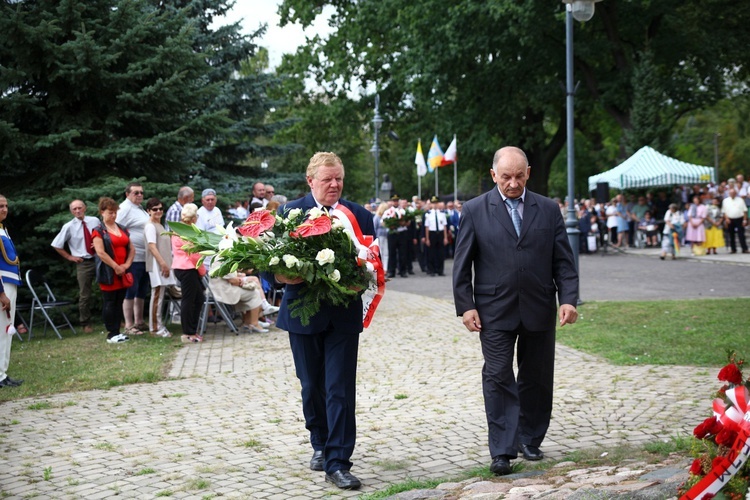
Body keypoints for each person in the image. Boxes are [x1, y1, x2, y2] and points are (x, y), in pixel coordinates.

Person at [452, 146, 579, 476]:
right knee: (497, 375)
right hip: (493, 308)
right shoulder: (475, 210)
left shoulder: (548, 210)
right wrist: (465, 306)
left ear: (529, 173)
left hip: (538, 305)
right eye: (506, 177)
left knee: (537, 376)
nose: (513, 183)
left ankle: (530, 437)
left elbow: (563, 261)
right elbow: (462, 265)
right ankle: (502, 449)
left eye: (519, 176)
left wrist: (568, 299)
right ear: (493, 175)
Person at [274, 152, 375, 490]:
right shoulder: (289, 213)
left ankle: (338, 461)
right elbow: (269, 260)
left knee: (339, 389)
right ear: (310, 181)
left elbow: (372, 263)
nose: (334, 185)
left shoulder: (358, 216)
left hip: (343, 316)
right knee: (311, 386)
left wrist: (359, 276)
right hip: (303, 314)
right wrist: (281, 276)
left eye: (339, 179)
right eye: (327, 179)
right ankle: (319, 441)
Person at [50, 199, 100, 333]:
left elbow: (103, 235)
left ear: (85, 208)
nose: (77, 211)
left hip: (100, 259)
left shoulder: (95, 221)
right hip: (83, 262)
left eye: (80, 208)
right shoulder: (68, 226)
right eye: (74, 209)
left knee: (109, 288)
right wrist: (70, 257)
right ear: (71, 211)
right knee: (85, 294)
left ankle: (115, 319)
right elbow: (56, 244)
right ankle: (86, 323)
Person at [93, 197, 136, 344]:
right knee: (110, 302)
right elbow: (100, 252)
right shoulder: (98, 230)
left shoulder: (122, 228)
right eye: (110, 213)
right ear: (102, 212)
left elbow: (131, 249)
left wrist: (126, 265)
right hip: (108, 272)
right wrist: (115, 266)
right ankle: (111, 333)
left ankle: (118, 331)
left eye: (115, 213)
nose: (113, 215)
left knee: (119, 301)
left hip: (122, 271)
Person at [116, 182, 150, 335]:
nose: (139, 195)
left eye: (141, 192)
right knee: (131, 290)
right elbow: (116, 229)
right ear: (127, 194)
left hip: (145, 256)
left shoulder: (139, 208)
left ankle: (139, 321)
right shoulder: (124, 208)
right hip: (132, 257)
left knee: (141, 289)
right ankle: (129, 325)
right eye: (136, 193)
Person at [171, 203, 206, 343]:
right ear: (192, 218)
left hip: (185, 268)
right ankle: (188, 333)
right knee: (189, 300)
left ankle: (192, 330)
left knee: (198, 299)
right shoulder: (186, 231)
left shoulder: (179, 229)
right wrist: (202, 270)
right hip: (187, 268)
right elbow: (193, 253)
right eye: (196, 215)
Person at [0, 194, 23, 387]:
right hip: (2, 284)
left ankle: (3, 372)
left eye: (6, 205)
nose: (4, 209)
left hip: (10, 282)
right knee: (2, 330)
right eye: (0, 206)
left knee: (6, 330)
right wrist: (1, 293)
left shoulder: (2, 229)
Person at [144, 197, 176, 337]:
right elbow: (152, 247)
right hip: (157, 265)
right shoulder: (150, 226)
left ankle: (159, 324)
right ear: (148, 211)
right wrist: (162, 264)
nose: (158, 212)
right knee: (157, 296)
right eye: (154, 209)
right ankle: (155, 328)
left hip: (165, 264)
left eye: (160, 209)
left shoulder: (160, 225)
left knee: (161, 296)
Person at [207, 264, 267, 334]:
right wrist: (241, 281)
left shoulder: (216, 259)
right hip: (223, 291)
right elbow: (232, 280)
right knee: (255, 293)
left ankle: (247, 322)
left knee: (249, 290)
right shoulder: (222, 260)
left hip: (217, 289)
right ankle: (254, 323)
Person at [424, 196, 448, 276]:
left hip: (440, 233)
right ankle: (432, 270)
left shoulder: (442, 213)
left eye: (436, 203)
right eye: (433, 203)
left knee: (440, 253)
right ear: (430, 204)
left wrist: (445, 237)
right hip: (432, 233)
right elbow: (427, 227)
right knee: (432, 252)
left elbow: (444, 226)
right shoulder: (428, 214)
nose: (434, 205)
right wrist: (427, 238)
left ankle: (440, 270)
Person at [721, 187, 749, 254]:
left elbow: (745, 210)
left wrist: (745, 220)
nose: (732, 194)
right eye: (731, 193)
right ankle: (733, 249)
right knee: (731, 235)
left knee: (741, 234)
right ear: (729, 193)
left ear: (736, 193)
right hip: (730, 219)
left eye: (733, 193)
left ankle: (744, 249)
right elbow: (724, 211)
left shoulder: (740, 200)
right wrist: (726, 219)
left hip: (739, 218)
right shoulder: (725, 201)